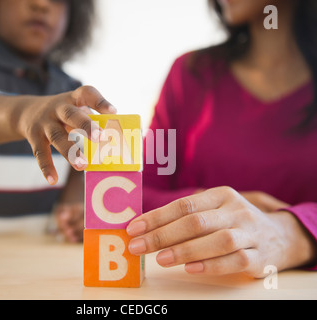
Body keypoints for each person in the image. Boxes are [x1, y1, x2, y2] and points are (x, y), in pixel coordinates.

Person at [127, 0, 317, 278]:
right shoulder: (188, 74)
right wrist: (205, 207)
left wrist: (291, 234)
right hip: (190, 286)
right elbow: (137, 191)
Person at [0, 0, 115, 239]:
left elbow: (80, 159)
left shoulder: (71, 88)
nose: (41, 4)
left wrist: (76, 203)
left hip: (30, 256)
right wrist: (25, 114)